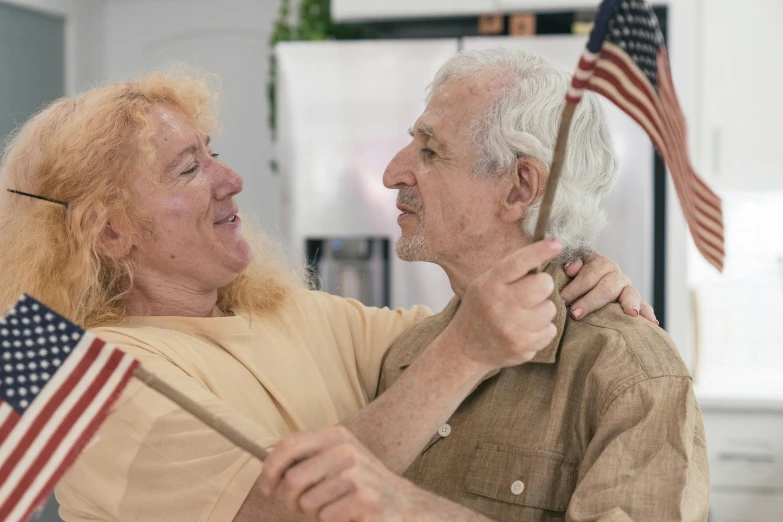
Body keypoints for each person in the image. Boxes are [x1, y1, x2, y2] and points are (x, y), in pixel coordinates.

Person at [0, 68, 651, 522]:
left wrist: (567, 274)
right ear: (108, 229)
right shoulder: (89, 376)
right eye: (189, 169)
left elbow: (470, 333)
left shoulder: (289, 314)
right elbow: (286, 508)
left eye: (212, 153)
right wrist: (467, 350)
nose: (231, 179)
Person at [259, 48, 709, 522]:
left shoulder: (631, 373)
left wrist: (411, 510)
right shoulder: (411, 352)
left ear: (518, 187)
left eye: (430, 151)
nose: (392, 174)